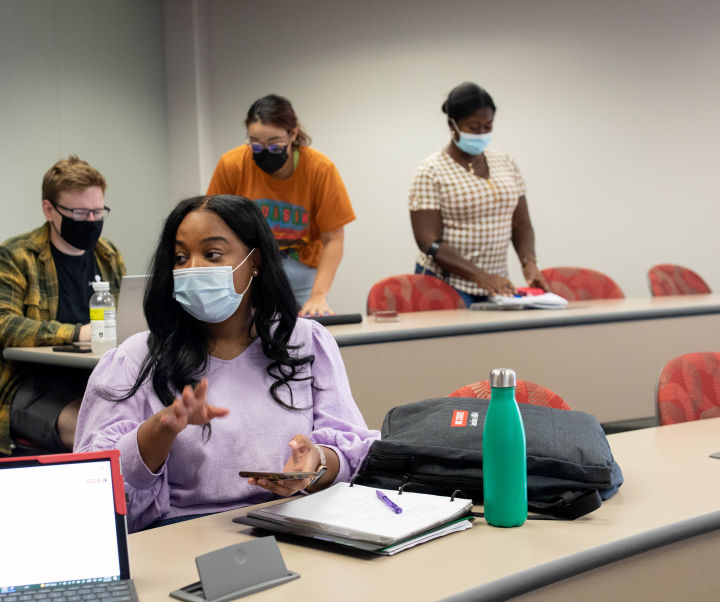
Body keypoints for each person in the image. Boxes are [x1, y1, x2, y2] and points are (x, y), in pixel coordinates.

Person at [73, 194, 378, 532]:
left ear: (255, 261)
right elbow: (95, 487)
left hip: (292, 524)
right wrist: (161, 429)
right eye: (180, 257)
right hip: (182, 535)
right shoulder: (136, 358)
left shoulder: (306, 341)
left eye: (212, 254)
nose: (192, 269)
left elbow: (352, 452)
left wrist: (317, 462)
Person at [0, 156, 125, 455]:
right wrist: (76, 333)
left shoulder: (108, 255)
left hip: (93, 381)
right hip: (26, 387)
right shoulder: (17, 255)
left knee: (145, 423)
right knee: (96, 433)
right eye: (80, 213)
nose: (92, 222)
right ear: (49, 209)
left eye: (98, 211)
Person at [207, 95, 355, 316]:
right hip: (248, 262)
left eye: (275, 144)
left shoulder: (319, 169)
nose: (265, 151)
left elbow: (333, 239)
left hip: (301, 265)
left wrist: (318, 296)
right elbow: (213, 226)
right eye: (256, 144)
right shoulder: (232, 165)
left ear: (293, 134)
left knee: (310, 325)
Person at [409, 82, 548, 307]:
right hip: (445, 284)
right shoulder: (431, 170)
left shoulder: (505, 163)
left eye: (488, 126)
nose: (482, 133)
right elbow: (428, 241)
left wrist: (529, 263)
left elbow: (521, 224)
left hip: (495, 284)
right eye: (474, 127)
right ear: (452, 124)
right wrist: (479, 276)